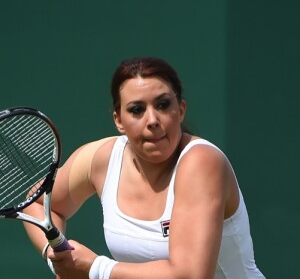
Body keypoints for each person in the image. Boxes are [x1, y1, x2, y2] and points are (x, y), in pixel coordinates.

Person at [24, 57, 265, 279]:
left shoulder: (201, 162)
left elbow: (191, 274)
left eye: (163, 105)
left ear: (180, 110)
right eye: (137, 110)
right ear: (119, 120)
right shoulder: (99, 159)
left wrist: (95, 268)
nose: (153, 121)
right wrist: (56, 256)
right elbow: (37, 203)